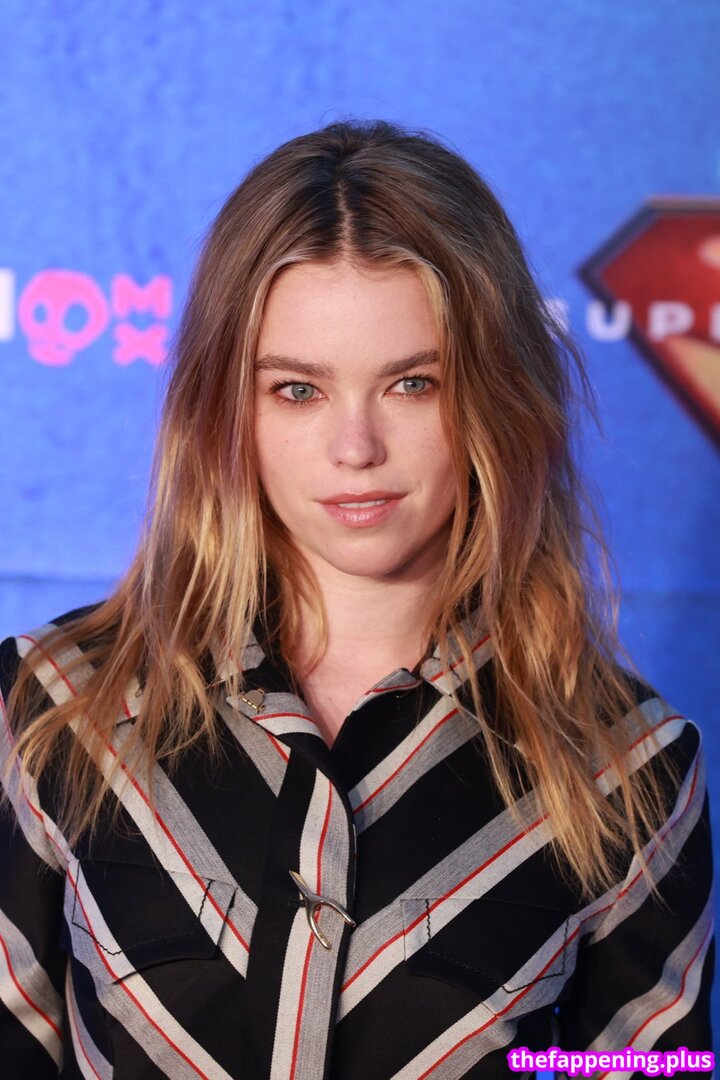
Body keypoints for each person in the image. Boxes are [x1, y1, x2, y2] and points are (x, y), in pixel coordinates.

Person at [0, 120, 713, 1080]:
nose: (356, 449)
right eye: (298, 391)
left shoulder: (630, 772)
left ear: (497, 395)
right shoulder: (54, 709)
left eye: (413, 383)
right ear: (225, 406)